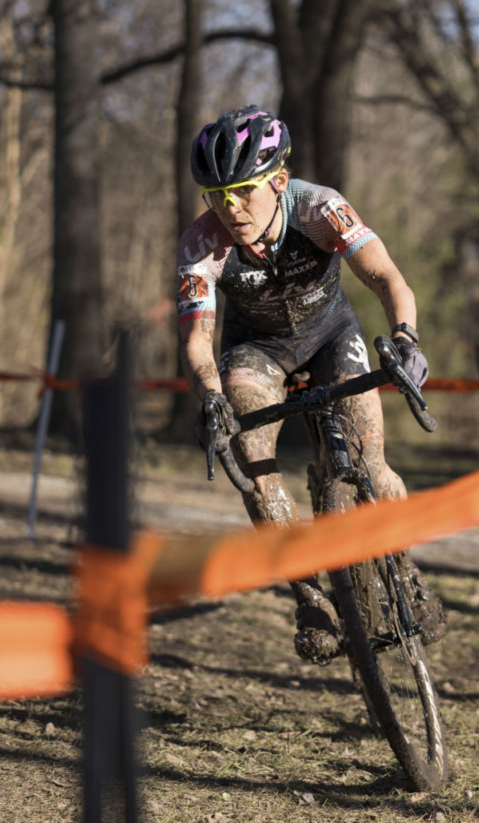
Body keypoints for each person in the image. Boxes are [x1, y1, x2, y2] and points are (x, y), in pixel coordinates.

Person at [176, 105, 442, 664]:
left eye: (243, 190)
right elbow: (199, 340)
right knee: (252, 457)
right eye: (217, 194)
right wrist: (212, 396)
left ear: (277, 179)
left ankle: (404, 565)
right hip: (257, 351)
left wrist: (406, 338)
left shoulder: (320, 207)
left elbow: (386, 276)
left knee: (371, 462)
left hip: (330, 335)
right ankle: (310, 596)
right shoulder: (201, 244)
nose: (231, 208)